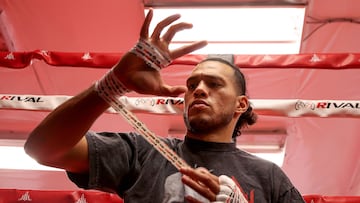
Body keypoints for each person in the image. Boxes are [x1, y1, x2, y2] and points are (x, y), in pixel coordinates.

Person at [24, 9, 305, 203]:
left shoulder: (268, 176)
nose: (199, 91)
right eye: (193, 85)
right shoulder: (144, 152)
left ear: (240, 104)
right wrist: (114, 82)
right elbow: (43, 149)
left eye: (214, 84)